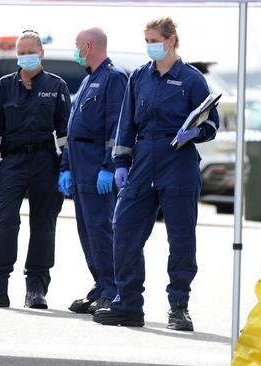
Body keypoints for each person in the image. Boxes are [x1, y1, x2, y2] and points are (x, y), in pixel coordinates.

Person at [92, 17, 219, 331]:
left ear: (171, 39)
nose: (149, 45)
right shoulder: (140, 77)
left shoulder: (191, 79)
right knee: (123, 230)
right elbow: (126, 124)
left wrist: (195, 133)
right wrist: (120, 163)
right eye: (146, 40)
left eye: (154, 39)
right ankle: (128, 304)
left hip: (178, 161)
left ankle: (179, 307)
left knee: (180, 238)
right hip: (143, 159)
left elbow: (211, 123)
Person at [0, 30, 70, 309]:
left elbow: (65, 132)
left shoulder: (56, 85)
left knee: (43, 225)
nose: (26, 56)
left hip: (44, 162)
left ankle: (36, 290)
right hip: (12, 162)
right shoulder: (3, 86)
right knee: (4, 221)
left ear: (41, 53)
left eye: (31, 51)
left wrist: (66, 168)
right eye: (21, 52)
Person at [58, 28, 128, 315]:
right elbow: (73, 130)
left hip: (98, 170)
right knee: (88, 232)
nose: (75, 51)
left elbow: (116, 127)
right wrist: (66, 167)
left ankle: (112, 291)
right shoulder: (89, 78)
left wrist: (109, 168)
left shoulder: (114, 78)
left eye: (77, 45)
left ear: (88, 45)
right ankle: (100, 286)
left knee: (102, 231)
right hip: (81, 167)